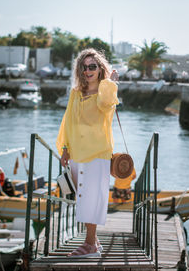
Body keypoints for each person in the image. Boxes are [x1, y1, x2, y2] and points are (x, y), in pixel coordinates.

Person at [56, 48, 119, 258]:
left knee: (93, 197)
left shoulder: (105, 91)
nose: (88, 70)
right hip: (76, 152)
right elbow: (67, 121)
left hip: (97, 153)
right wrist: (65, 147)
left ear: (100, 69)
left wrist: (110, 83)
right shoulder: (75, 93)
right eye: (84, 67)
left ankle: (90, 245)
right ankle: (95, 242)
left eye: (92, 66)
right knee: (83, 197)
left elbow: (106, 105)